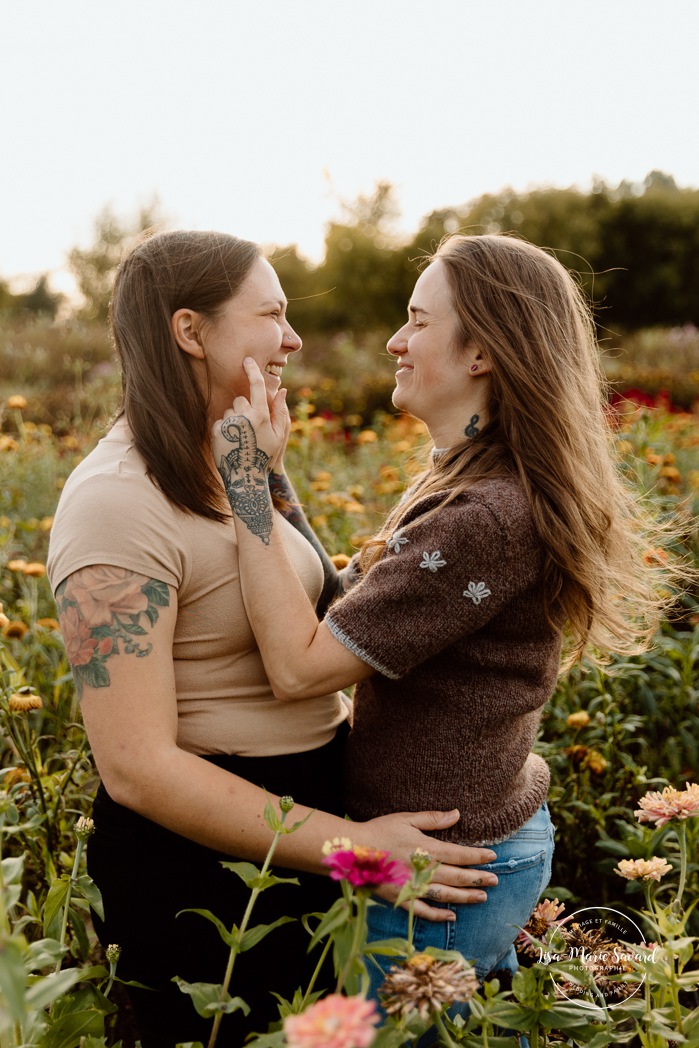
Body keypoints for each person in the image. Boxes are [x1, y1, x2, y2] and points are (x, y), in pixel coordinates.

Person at [46, 230, 497, 1048]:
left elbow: (304, 605)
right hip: (203, 872)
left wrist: (269, 473)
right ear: (191, 331)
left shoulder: (233, 467)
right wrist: (353, 847)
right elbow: (137, 768)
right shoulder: (115, 504)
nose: (292, 340)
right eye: (272, 314)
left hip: (305, 831)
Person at [212, 232, 670, 1019]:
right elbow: (347, 604)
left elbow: (297, 664)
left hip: (444, 863)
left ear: (481, 352)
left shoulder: (484, 517)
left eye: (417, 321)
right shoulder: (466, 479)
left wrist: (246, 486)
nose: (395, 340)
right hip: (457, 839)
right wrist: (275, 474)